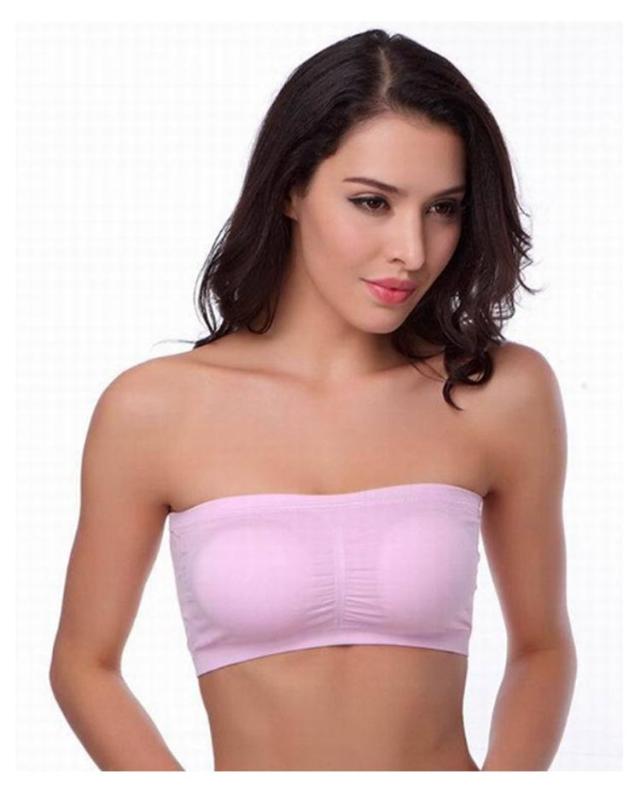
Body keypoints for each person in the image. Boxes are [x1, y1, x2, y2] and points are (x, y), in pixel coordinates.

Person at [48, 28, 577, 771]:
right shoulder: (153, 410)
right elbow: (84, 665)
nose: (412, 250)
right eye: (372, 202)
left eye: (443, 208)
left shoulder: (502, 394)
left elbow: (543, 647)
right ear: (291, 188)